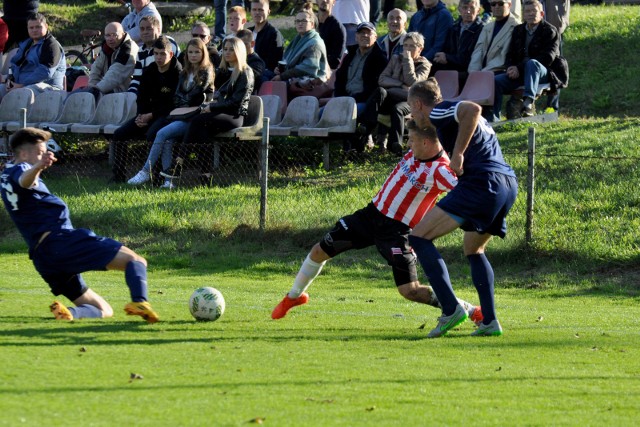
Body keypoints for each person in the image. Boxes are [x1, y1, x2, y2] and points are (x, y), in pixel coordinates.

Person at [271, 120, 483, 325]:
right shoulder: (416, 152)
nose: (408, 144)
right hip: (370, 216)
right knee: (319, 251)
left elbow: (464, 192)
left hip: (397, 232)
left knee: (410, 290)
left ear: (426, 143)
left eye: (411, 140)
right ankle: (293, 296)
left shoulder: (440, 170)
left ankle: (471, 311)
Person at [0, 128, 160, 323]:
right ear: (24, 154)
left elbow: (21, 182)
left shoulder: (6, 174)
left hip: (44, 258)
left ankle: (69, 313)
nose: (45, 156)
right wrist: (38, 166)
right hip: (61, 242)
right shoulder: (23, 169)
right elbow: (25, 181)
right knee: (135, 260)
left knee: (103, 309)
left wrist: (38, 165)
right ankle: (140, 302)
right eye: (40, 152)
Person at [407, 78, 518, 338]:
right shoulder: (447, 119)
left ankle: (450, 310)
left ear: (419, 104)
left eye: (412, 109)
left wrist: (457, 154)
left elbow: (472, 109)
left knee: (419, 237)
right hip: (506, 184)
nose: (413, 116)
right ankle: (489, 322)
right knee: (474, 248)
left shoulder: (439, 109)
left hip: (482, 183)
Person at [127, 37, 214, 188]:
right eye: (190, 52)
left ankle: (145, 171)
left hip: (195, 118)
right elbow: (177, 96)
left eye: (197, 52)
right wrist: (182, 103)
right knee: (167, 141)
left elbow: (196, 97)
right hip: (180, 115)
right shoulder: (185, 73)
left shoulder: (206, 72)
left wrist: (183, 102)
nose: (193, 55)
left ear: (203, 53)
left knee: (161, 133)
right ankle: (169, 181)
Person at [180, 36, 254, 183]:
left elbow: (235, 102)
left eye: (231, 49)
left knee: (197, 121)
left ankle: (180, 159)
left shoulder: (245, 72)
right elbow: (216, 95)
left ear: (239, 51)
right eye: (225, 49)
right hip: (218, 113)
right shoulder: (222, 71)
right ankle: (205, 175)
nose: (227, 52)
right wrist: (209, 105)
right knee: (202, 131)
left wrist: (211, 107)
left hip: (234, 116)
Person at [111, 36, 182, 183]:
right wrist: (140, 116)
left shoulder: (178, 73)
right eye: (156, 53)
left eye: (162, 54)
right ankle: (118, 177)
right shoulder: (150, 70)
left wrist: (151, 115)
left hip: (167, 116)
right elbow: (141, 96)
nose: (158, 57)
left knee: (152, 134)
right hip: (147, 115)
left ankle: (155, 178)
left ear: (171, 54)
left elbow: (172, 104)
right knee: (119, 134)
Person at [362, 32, 431, 154]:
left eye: (412, 46)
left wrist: (407, 60)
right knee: (379, 91)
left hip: (409, 100)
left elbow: (413, 82)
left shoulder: (424, 64)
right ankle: (367, 128)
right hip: (391, 96)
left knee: (397, 109)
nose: (407, 49)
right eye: (405, 46)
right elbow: (382, 79)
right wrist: (400, 85)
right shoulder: (395, 58)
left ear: (420, 48)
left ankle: (395, 144)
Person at [493, 0, 560, 120]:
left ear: (542, 14)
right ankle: (494, 118)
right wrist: (510, 68)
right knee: (496, 81)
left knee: (532, 63)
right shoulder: (518, 30)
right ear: (523, 15)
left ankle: (528, 103)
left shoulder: (550, 30)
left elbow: (547, 58)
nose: (530, 14)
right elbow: (510, 54)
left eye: (534, 11)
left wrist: (519, 67)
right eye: (527, 11)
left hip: (542, 72)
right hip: (520, 73)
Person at [333, 21, 388, 152]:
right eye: (361, 33)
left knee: (351, 114)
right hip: (344, 99)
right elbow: (339, 79)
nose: (365, 36)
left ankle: (353, 148)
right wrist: (342, 98)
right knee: (320, 114)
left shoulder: (380, 58)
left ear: (375, 37)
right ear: (356, 37)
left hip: (363, 100)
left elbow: (376, 86)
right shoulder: (349, 55)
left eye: (368, 33)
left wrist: (353, 99)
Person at [0, 13, 65, 100]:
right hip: (21, 85)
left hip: (48, 87)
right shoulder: (26, 44)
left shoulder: (51, 45)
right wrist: (10, 80)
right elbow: (14, 64)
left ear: (46, 26)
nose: (34, 30)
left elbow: (45, 72)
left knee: (23, 93)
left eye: (38, 27)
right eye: (31, 28)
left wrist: (22, 85)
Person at [77, 22, 138, 100]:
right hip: (109, 91)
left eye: (114, 35)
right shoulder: (106, 48)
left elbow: (115, 74)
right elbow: (96, 69)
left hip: (125, 94)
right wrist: (91, 89)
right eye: (107, 35)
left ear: (122, 34)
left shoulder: (128, 49)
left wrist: (97, 90)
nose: (110, 39)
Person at [272, 9, 328, 84]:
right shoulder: (298, 40)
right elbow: (287, 61)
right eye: (297, 21)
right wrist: (279, 70)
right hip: (294, 79)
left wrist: (282, 76)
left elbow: (306, 69)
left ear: (312, 24)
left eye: (304, 21)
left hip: (309, 84)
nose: (300, 23)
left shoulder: (314, 43)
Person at [430, 0, 484, 79]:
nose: (468, 11)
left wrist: (448, 58)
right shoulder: (454, 28)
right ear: (459, 9)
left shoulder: (481, 30)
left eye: (472, 8)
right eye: (465, 8)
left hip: (468, 70)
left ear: (478, 10)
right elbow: (447, 50)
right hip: (452, 65)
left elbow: (470, 59)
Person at [128, 15, 179, 95]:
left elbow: (173, 72)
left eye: (149, 28)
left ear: (158, 30)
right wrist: (130, 95)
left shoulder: (168, 43)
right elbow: (137, 78)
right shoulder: (141, 50)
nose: (145, 32)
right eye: (142, 29)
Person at [468, 0, 519, 73]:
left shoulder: (516, 27)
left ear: (509, 5)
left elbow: (502, 58)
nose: (497, 7)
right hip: (481, 73)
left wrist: (482, 73)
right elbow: (478, 51)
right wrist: (473, 71)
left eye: (501, 3)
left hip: (499, 72)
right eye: (493, 4)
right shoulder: (487, 27)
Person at [248, 0, 284, 82]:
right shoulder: (247, 32)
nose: (257, 13)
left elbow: (274, 63)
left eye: (260, 10)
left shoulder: (274, 34)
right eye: (254, 10)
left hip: (264, 75)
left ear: (268, 12)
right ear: (250, 12)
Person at [316, 0, 346, 70]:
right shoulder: (311, 24)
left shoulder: (338, 28)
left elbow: (336, 60)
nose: (324, 0)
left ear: (334, 2)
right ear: (317, 1)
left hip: (324, 70)